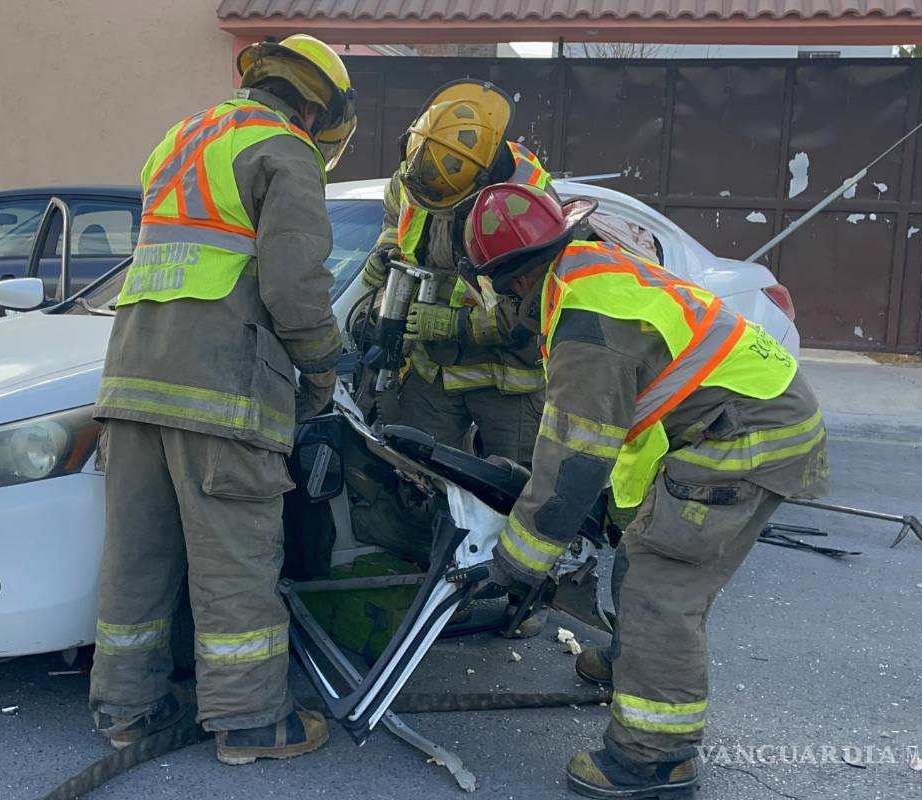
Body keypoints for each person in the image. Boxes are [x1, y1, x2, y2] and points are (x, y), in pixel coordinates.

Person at [461, 182, 829, 799]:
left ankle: (656, 759)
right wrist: (621, 512)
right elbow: (630, 425)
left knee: (664, 588)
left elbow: (572, 460)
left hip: (747, 435)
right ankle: (633, 666)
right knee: (643, 548)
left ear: (510, 280)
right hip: (746, 416)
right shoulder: (587, 273)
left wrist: (515, 564)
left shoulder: (585, 325)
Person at [88, 34, 356, 765]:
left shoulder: (179, 140)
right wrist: (323, 373)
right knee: (234, 557)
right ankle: (249, 722)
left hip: (132, 382)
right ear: (316, 105)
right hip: (220, 389)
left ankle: (129, 709)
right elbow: (296, 287)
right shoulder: (283, 149)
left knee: (136, 560)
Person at [355, 80, 556, 636]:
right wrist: (373, 284)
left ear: (483, 174)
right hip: (430, 368)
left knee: (511, 491)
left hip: (507, 378)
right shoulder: (418, 175)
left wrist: (459, 323)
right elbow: (395, 238)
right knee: (419, 481)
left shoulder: (531, 198)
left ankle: (519, 602)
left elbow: (536, 310)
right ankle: (431, 591)